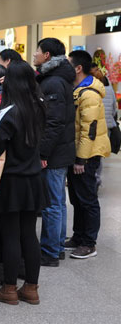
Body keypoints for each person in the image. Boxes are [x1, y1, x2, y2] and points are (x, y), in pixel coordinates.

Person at [0, 61, 47, 306]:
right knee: (29, 234)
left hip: (11, 180)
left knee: (10, 235)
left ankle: (9, 288)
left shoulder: (9, 111)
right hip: (33, 179)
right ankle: (31, 288)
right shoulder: (39, 106)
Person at [32, 38, 76, 267]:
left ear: (47, 55)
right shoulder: (57, 79)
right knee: (57, 201)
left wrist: (43, 153)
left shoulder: (54, 82)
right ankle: (56, 247)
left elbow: (54, 122)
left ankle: (50, 251)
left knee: (51, 202)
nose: (34, 54)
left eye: (37, 51)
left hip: (55, 152)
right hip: (60, 149)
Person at [65, 50, 111, 259]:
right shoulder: (78, 89)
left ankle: (89, 243)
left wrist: (81, 159)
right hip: (78, 152)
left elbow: (89, 129)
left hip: (87, 154)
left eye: (68, 63)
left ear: (78, 68)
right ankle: (78, 235)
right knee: (77, 198)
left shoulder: (89, 93)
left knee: (87, 199)